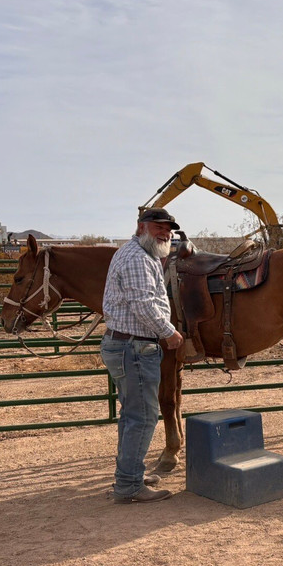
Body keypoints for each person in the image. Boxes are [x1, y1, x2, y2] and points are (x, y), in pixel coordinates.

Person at [100, 208, 184, 504]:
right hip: (134, 347)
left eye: (169, 229)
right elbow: (143, 304)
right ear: (141, 227)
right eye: (159, 228)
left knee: (131, 415)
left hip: (126, 345)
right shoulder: (137, 257)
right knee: (143, 417)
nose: (165, 233)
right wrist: (169, 332)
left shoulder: (134, 253)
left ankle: (130, 474)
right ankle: (129, 485)